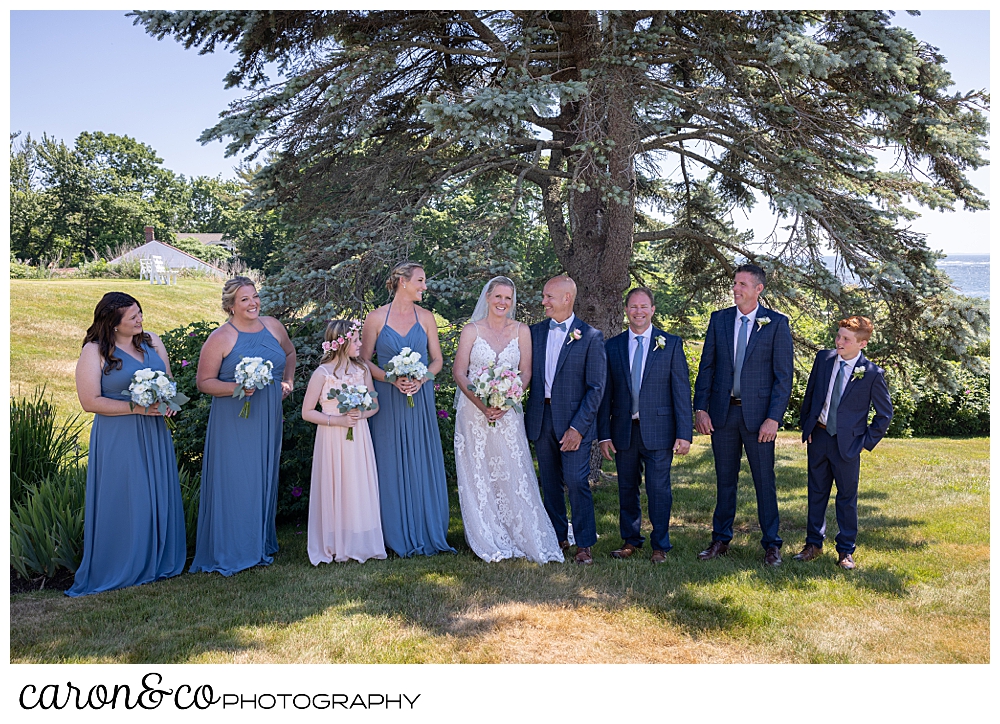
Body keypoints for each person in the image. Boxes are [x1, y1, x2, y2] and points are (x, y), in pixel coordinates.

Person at [68, 292, 186, 596]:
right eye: (132, 316)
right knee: (126, 495)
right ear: (113, 322)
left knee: (155, 492)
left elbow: (169, 381)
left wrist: (168, 401)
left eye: (140, 313)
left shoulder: (152, 341)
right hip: (119, 433)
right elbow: (89, 401)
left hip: (155, 431)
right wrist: (138, 407)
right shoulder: (94, 351)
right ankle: (122, 563)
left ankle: (158, 560)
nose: (140, 320)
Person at [452, 276, 565, 564]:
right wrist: (482, 404)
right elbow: (460, 373)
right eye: (498, 296)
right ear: (487, 297)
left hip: (508, 411)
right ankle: (485, 532)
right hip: (473, 414)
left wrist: (507, 399)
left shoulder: (521, 331)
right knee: (478, 471)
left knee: (512, 470)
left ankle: (521, 529)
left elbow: (526, 372)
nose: (503, 302)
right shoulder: (471, 330)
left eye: (508, 298)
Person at [190, 277, 296, 576]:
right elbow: (203, 383)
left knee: (262, 475)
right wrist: (237, 387)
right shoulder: (221, 337)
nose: (253, 303)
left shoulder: (273, 326)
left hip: (268, 414)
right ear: (230, 305)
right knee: (238, 478)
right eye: (245, 299)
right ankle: (233, 548)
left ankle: (258, 543)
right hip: (234, 419)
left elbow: (289, 354)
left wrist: (288, 381)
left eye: (255, 297)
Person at [693, 263, 793, 566]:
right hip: (723, 416)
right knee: (725, 480)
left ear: (758, 289)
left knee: (765, 481)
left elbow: (783, 377)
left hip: (759, 419)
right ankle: (720, 540)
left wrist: (774, 418)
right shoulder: (719, 320)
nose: (736, 289)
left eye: (743, 285)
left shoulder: (775, 323)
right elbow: (706, 368)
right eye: (735, 284)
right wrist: (701, 408)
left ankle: (772, 544)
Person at [360, 261, 455, 557]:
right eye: (421, 280)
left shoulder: (426, 317)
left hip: (420, 398)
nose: (425, 286)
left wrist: (422, 377)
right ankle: (392, 532)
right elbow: (363, 361)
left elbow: (437, 360)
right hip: (388, 400)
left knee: (420, 458)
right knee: (389, 459)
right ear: (403, 281)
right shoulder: (375, 318)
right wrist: (391, 378)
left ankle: (428, 528)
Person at [598, 287, 692, 563]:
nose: (638, 311)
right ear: (626, 310)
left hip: (660, 430)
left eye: (644, 306)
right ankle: (630, 540)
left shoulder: (670, 343)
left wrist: (684, 433)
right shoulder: (612, 346)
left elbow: (681, 391)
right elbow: (606, 394)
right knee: (627, 487)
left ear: (652, 310)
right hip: (624, 431)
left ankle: (660, 544)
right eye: (633, 307)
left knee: (658, 489)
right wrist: (604, 434)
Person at [796, 315, 892, 569]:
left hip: (848, 444)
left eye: (846, 339)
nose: (839, 341)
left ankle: (845, 550)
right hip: (819, 436)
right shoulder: (824, 360)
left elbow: (884, 414)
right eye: (838, 336)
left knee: (846, 498)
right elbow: (811, 396)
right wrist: (807, 426)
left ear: (862, 344)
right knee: (816, 493)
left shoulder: (871, 374)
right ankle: (813, 544)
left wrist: (865, 442)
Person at [524, 275, 607, 565]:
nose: (544, 301)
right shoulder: (533, 333)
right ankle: (557, 536)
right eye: (544, 296)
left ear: (567, 299)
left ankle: (584, 543)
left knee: (575, 480)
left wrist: (577, 428)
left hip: (574, 422)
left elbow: (596, 389)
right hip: (540, 417)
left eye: (549, 296)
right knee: (549, 481)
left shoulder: (591, 337)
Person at [301, 320, 386, 564]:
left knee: (357, 484)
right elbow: (307, 412)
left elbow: (374, 405)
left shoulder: (362, 371)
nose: (360, 344)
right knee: (336, 483)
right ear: (342, 343)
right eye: (356, 340)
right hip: (331, 438)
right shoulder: (322, 374)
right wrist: (335, 421)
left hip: (358, 436)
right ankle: (335, 542)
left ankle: (360, 541)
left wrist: (362, 414)